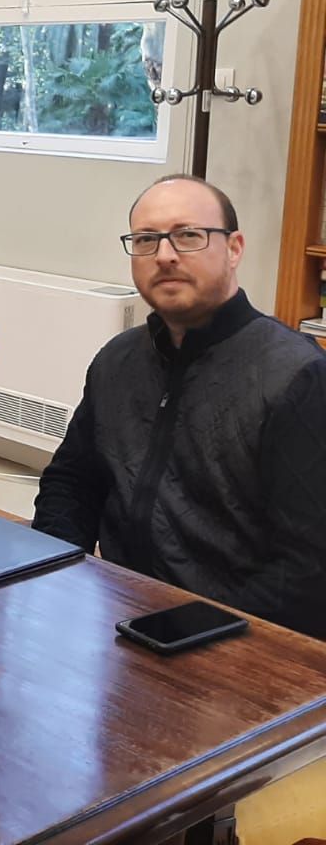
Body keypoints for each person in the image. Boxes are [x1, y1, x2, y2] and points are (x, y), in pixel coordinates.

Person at [33, 175, 326, 638]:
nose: (165, 255)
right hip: (121, 617)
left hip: (234, 640)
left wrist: (182, 630)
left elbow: (308, 572)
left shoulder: (297, 377)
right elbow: (72, 482)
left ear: (234, 249)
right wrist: (52, 578)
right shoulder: (118, 360)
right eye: (146, 240)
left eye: (188, 235)